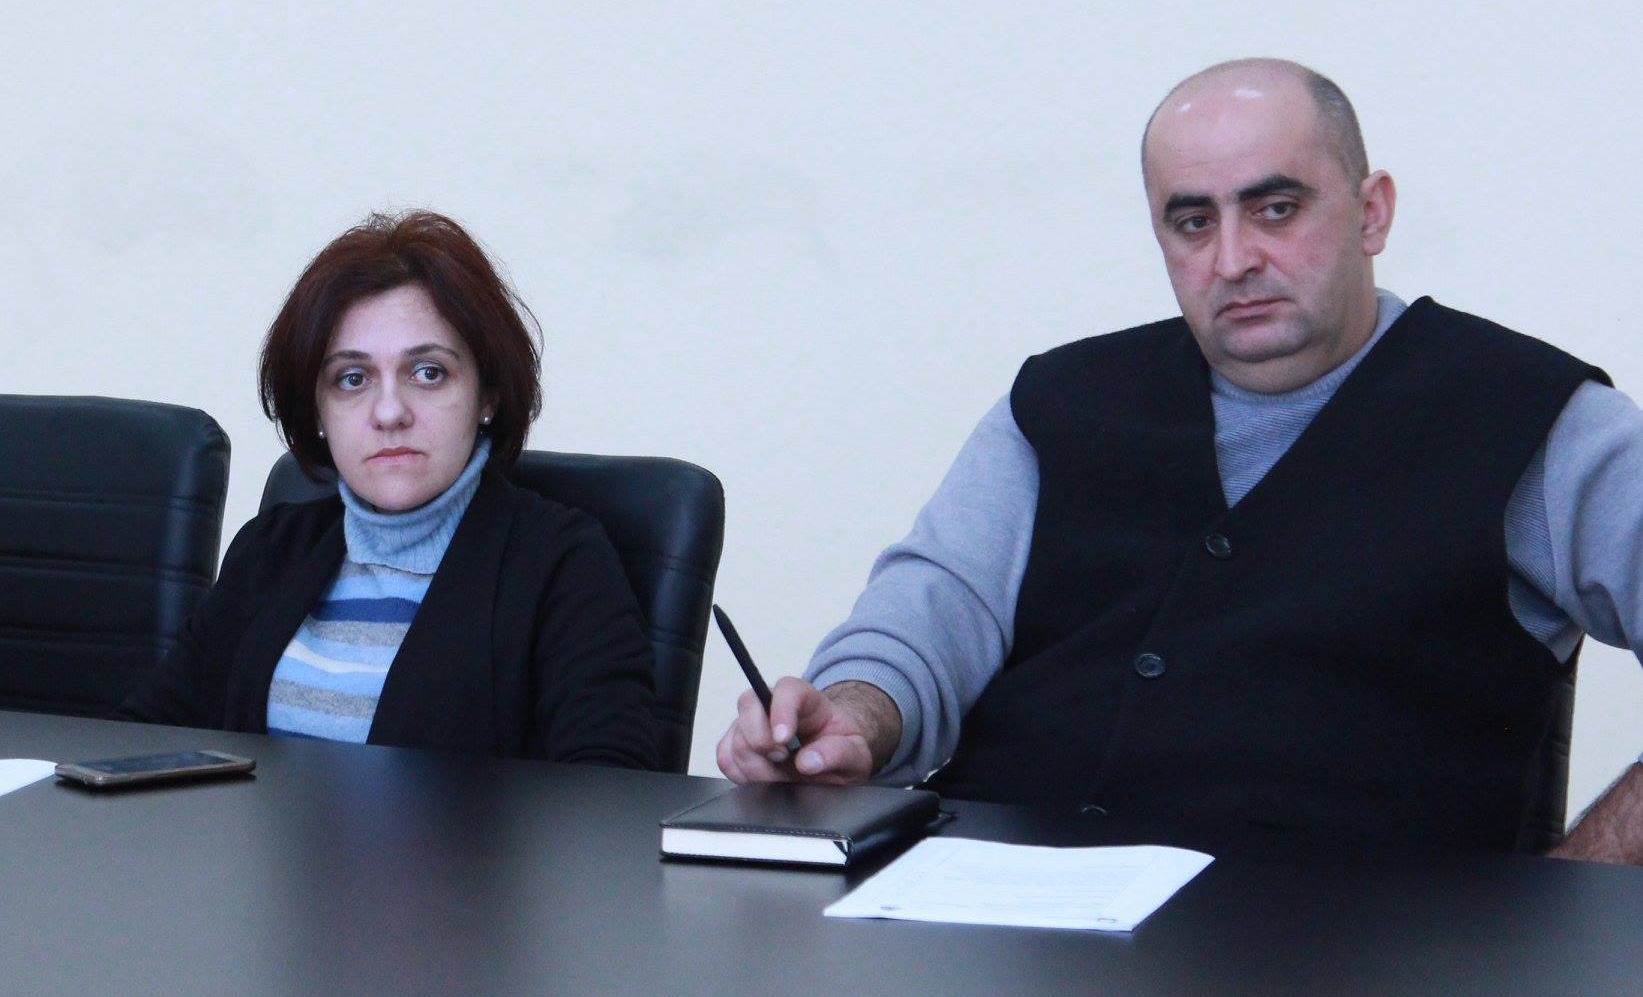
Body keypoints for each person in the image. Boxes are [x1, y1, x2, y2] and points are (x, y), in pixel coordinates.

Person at [718, 58, 1643, 860]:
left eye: (1275, 209)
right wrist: (852, 716)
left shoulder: (1538, 420)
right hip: (1000, 920)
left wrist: (1575, 891)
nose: (1233, 259)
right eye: (1193, 223)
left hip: (1354, 947)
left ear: (1371, 213)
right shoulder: (1060, 400)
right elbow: (932, 610)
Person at [118, 211, 659, 768]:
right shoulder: (269, 550)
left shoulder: (562, 563)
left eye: (428, 372)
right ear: (318, 412)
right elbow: (140, 745)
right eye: (352, 379)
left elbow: (610, 794)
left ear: (487, 396)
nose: (389, 412)